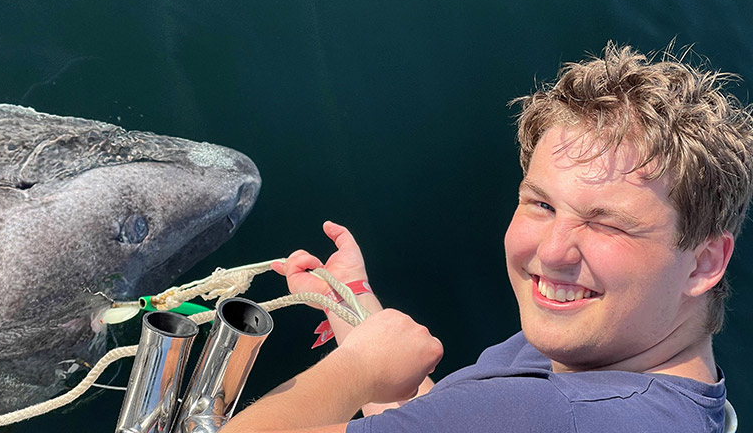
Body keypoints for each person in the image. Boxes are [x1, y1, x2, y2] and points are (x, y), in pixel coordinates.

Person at [223, 43, 752, 432]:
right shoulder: (655, 387)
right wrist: (356, 307)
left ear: (705, 263)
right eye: (541, 204)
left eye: (606, 222)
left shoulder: (553, 415)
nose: (551, 252)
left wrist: (356, 370)